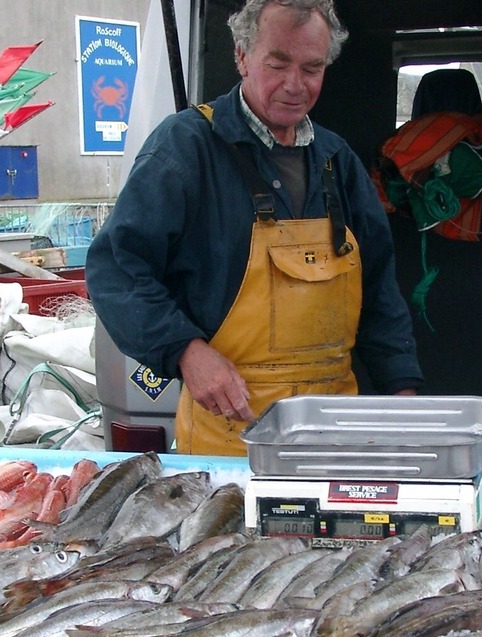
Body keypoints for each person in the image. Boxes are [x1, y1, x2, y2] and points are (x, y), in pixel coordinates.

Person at [85, 0, 423, 456]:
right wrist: (186, 351)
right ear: (242, 56)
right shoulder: (185, 148)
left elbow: (380, 292)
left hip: (332, 434)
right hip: (230, 437)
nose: (295, 85)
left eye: (312, 68)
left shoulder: (337, 160)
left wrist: (404, 397)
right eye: (277, 64)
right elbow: (116, 270)